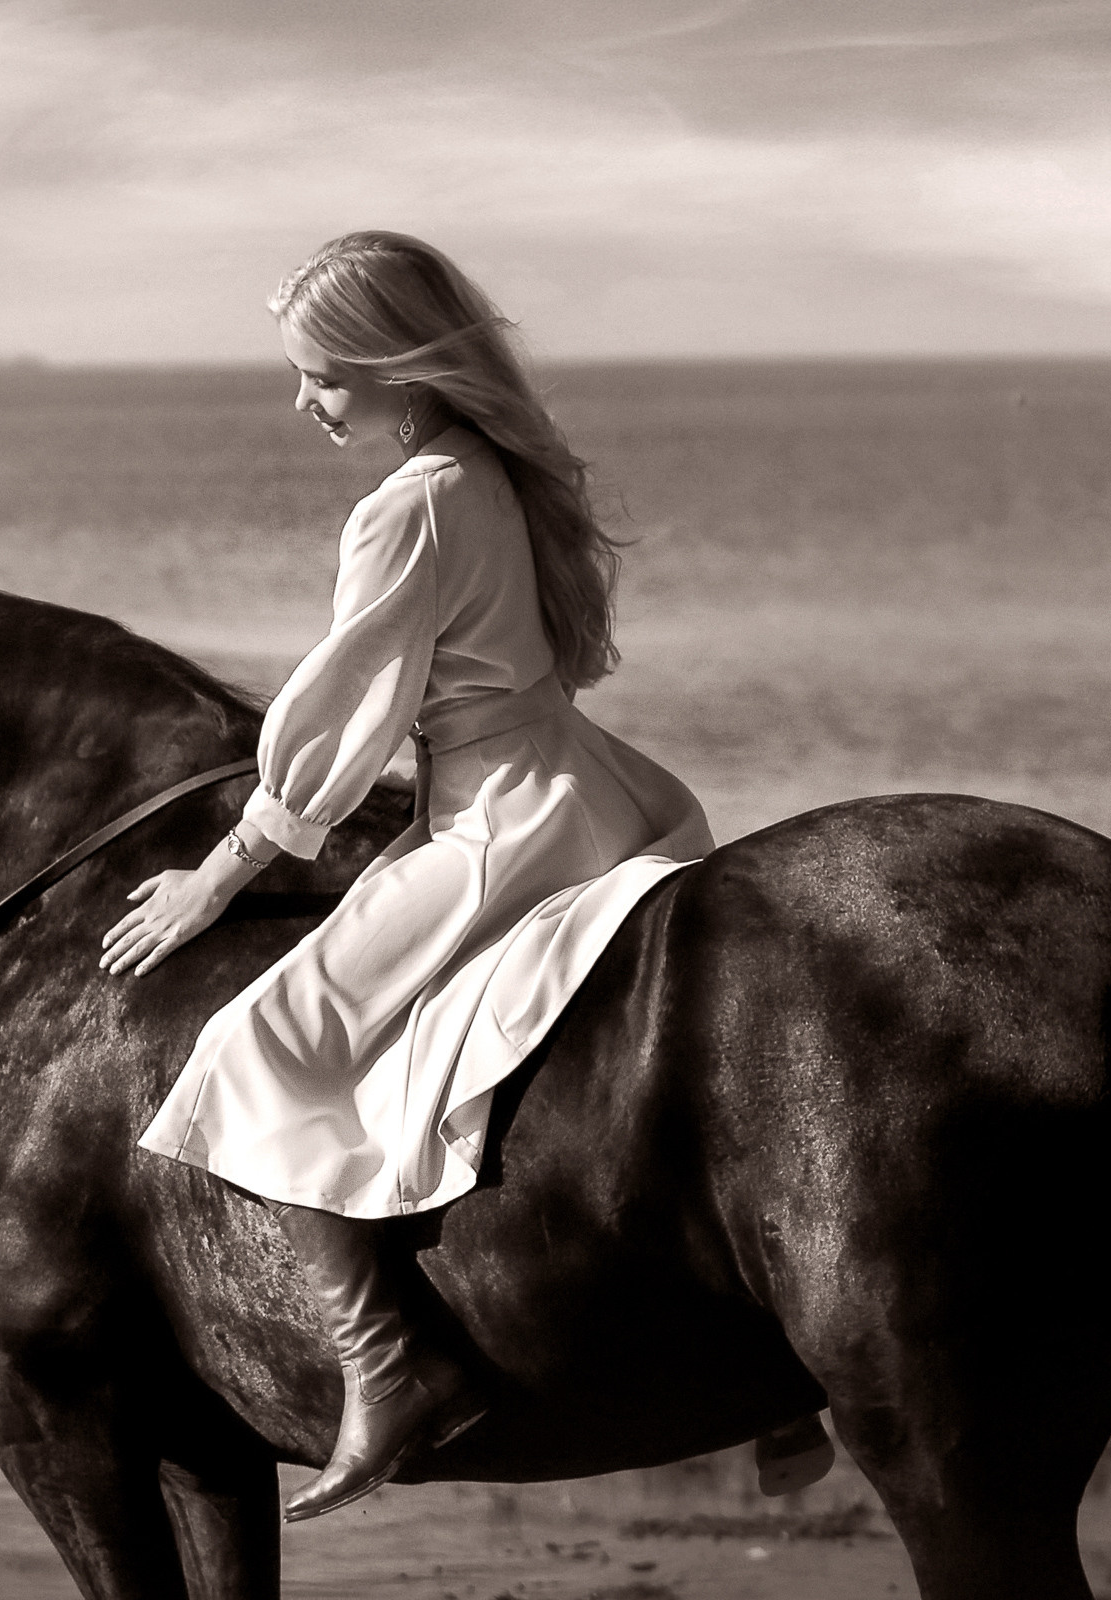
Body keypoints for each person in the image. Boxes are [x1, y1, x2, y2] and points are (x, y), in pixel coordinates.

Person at [105, 232, 816, 1521]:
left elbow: (346, 713)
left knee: (260, 1041)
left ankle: (390, 1368)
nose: (305, 403)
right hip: (592, 789)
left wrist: (221, 874)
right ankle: (778, 1391)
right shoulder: (499, 474)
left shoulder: (409, 505)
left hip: (499, 823)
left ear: (393, 365)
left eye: (319, 375)